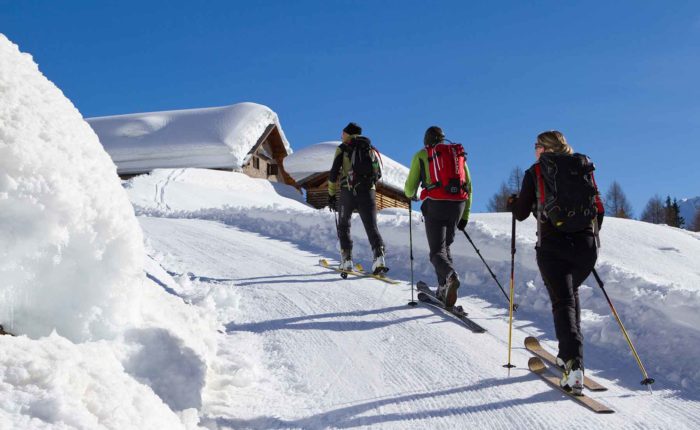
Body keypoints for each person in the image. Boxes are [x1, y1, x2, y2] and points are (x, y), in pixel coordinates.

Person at [509, 130, 605, 395]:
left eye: (536, 146)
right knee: (570, 295)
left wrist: (514, 203)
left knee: (562, 302)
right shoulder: (582, 165)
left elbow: (520, 214)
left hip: (553, 246)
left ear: (544, 148)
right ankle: (568, 356)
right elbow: (599, 209)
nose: (534, 150)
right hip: (586, 247)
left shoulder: (536, 171)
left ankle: (574, 366)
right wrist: (586, 236)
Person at [404, 126, 472, 309]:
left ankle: (450, 277)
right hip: (458, 205)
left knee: (436, 251)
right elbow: (469, 186)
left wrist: (411, 194)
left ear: (426, 140)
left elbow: (410, 187)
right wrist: (465, 215)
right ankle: (444, 288)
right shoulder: (457, 155)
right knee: (445, 247)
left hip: (436, 204)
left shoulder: (422, 155)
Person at [328, 122, 387, 274]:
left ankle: (347, 260)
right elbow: (378, 174)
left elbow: (333, 172)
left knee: (343, 225)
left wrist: (332, 195)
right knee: (371, 226)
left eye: (343, 133)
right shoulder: (370, 148)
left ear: (347, 134)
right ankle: (379, 257)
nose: (341, 136)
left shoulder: (343, 148)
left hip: (348, 191)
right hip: (368, 192)